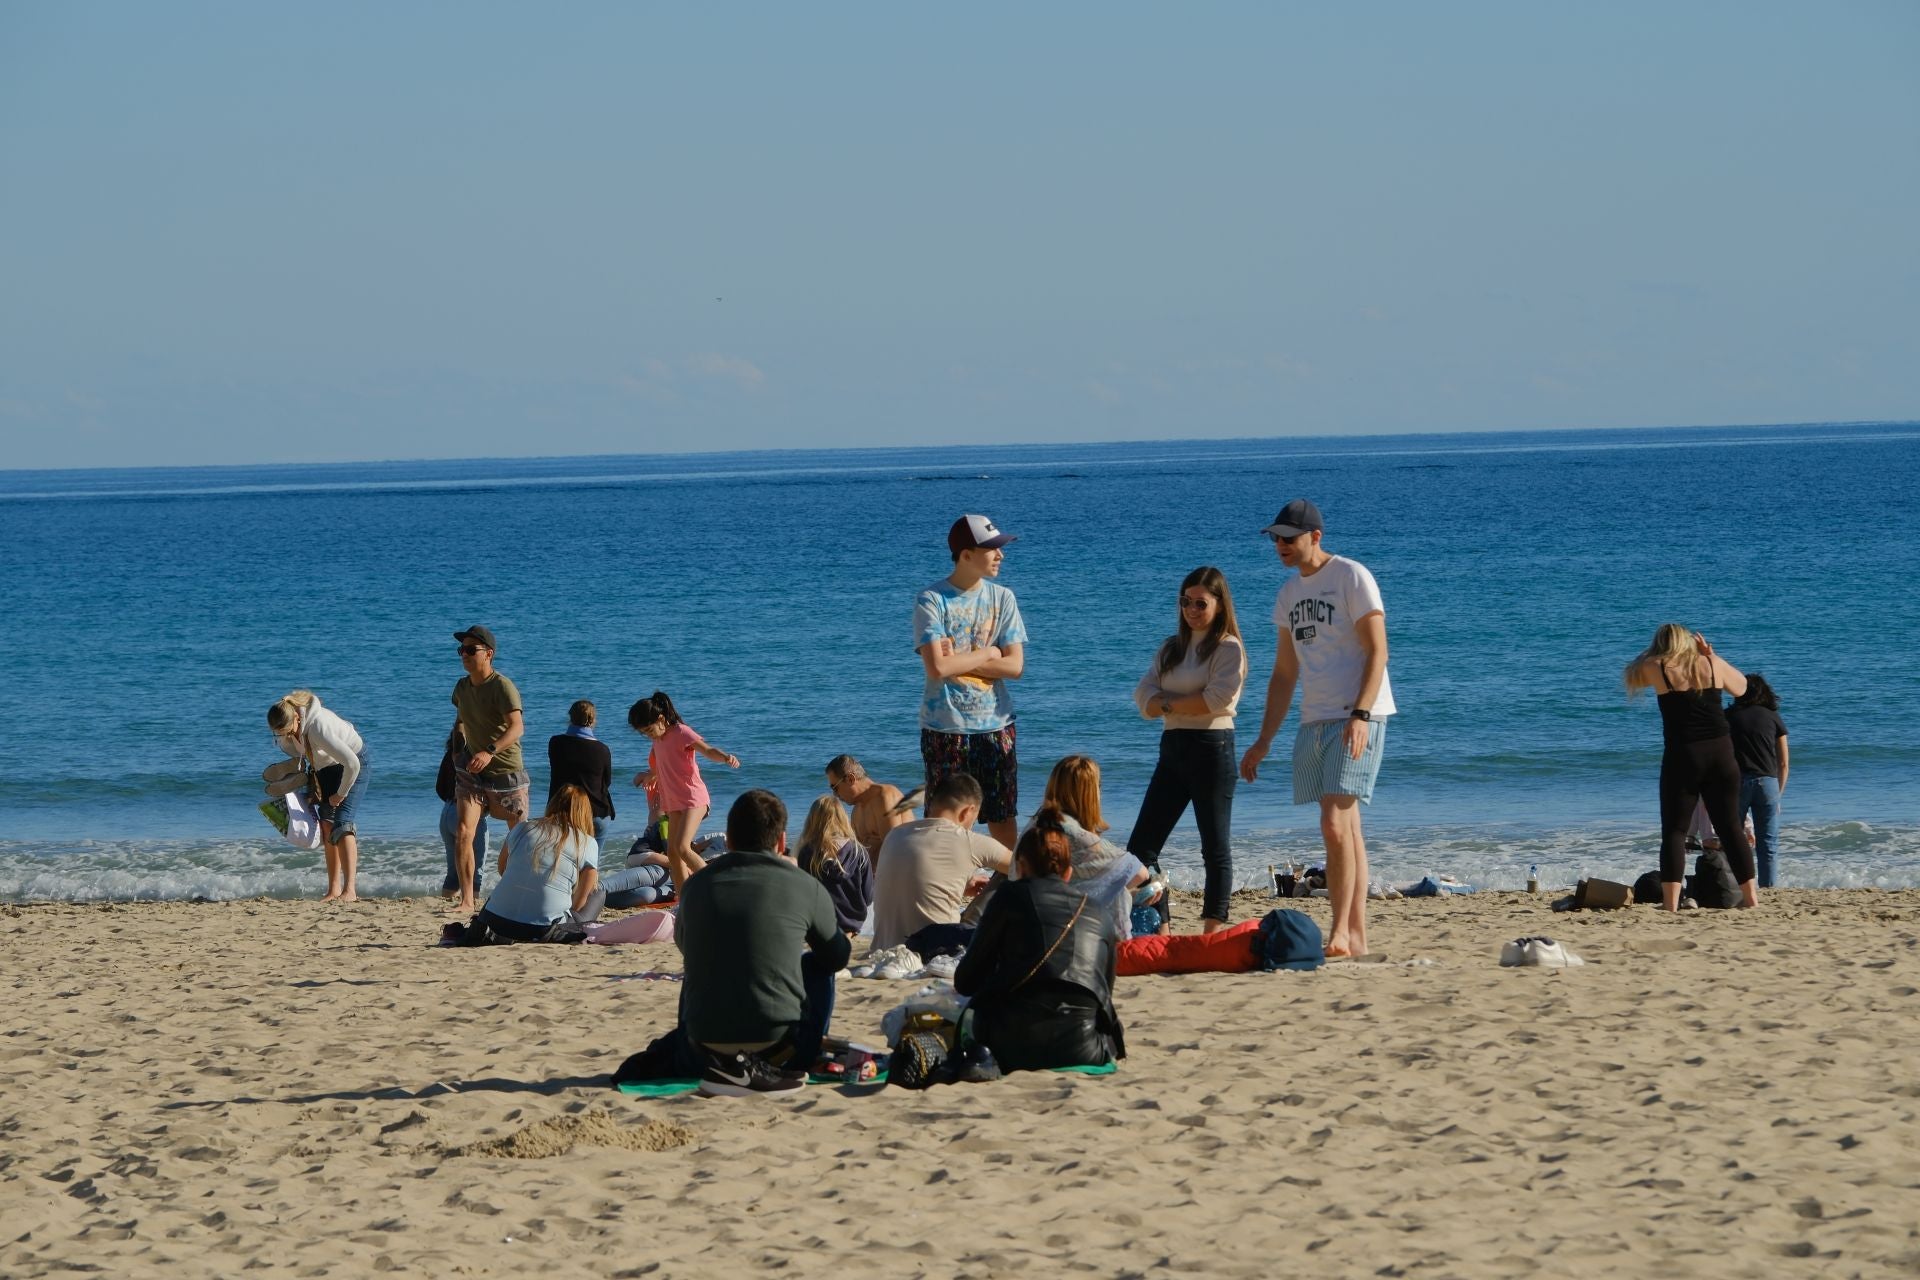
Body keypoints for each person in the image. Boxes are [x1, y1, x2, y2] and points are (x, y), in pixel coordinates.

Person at [1238, 500, 1395, 958]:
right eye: (1276, 539)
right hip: (1315, 717)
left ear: (1316, 537)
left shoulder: (1351, 576)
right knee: (1346, 828)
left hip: (1358, 714)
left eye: (1290, 538)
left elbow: (1378, 650)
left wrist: (1362, 714)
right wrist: (1264, 739)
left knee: (1333, 823)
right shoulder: (1288, 594)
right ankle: (1357, 934)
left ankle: (1341, 933)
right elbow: (1285, 674)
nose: (1281, 546)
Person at [677, 790, 852, 1097]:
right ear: (782, 842)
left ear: (728, 839)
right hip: (780, 1049)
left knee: (702, 961)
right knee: (814, 963)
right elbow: (837, 957)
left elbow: (684, 945)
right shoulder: (804, 886)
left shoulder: (694, 886)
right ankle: (804, 1055)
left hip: (701, 1048)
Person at [953, 807, 1126, 1073]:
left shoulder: (1009, 897)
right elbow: (1105, 989)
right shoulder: (1098, 912)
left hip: (1012, 1045)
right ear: (1069, 872)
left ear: (1020, 867)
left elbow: (965, 981)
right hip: (1085, 1048)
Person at [1126, 566, 1248, 933]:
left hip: (1212, 749)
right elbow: (1142, 698)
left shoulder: (1228, 648)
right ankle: (1161, 928)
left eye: (1200, 603)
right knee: (1140, 850)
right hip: (1173, 748)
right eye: (1185, 602)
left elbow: (1216, 700)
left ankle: (1212, 930)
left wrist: (1165, 701)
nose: (1192, 609)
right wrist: (1172, 703)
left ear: (1219, 604)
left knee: (1214, 847)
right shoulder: (1171, 648)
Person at [1623, 624, 1759, 911]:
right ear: (1689, 643)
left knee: (1675, 831)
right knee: (1731, 828)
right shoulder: (1711, 663)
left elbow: (1630, 672)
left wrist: (1656, 650)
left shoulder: (1656, 666)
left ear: (1660, 645)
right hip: (1722, 753)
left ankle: (1671, 904)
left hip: (1683, 756)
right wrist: (1712, 656)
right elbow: (1743, 688)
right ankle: (1751, 899)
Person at [915, 513, 1028, 851]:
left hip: (996, 724)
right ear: (966, 554)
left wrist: (957, 662)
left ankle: (1006, 884)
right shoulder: (931, 600)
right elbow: (936, 669)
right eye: (992, 548)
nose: (1000, 555)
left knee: (1002, 815)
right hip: (945, 727)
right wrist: (990, 652)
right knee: (943, 819)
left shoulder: (1003, 598)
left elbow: (1016, 666)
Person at [870, 773, 1012, 955]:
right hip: (936, 949)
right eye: (974, 819)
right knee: (1006, 875)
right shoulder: (967, 840)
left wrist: (959, 888)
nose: (972, 825)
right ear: (967, 811)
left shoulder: (895, 835)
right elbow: (1027, 866)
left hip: (883, 950)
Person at [448, 625, 529, 913]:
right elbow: (461, 718)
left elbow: (517, 726)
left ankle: (516, 895)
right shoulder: (461, 687)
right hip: (472, 772)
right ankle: (467, 900)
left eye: (471, 650)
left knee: (518, 837)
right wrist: (458, 750)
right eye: (462, 650)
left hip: (506, 770)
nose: (465, 655)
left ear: (489, 654)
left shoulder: (502, 686)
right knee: (463, 830)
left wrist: (490, 751)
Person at [1038, 756, 1159, 940]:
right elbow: (1140, 875)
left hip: (1040, 922)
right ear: (1091, 795)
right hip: (1079, 934)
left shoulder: (1036, 826)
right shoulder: (1086, 841)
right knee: (1150, 916)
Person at [628, 690, 739, 891]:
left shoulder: (681, 732)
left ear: (661, 718)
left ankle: (718, 886)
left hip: (693, 799)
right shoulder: (657, 741)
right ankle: (683, 899)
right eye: (644, 733)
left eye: (649, 729)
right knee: (672, 852)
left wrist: (725, 757)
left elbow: (707, 750)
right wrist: (650, 777)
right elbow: (658, 766)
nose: (648, 735)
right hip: (673, 802)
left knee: (682, 848)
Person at [267, 690, 368, 902]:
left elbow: (353, 764)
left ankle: (350, 890)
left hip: (353, 763)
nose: (282, 736)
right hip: (324, 767)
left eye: (285, 731)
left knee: (342, 823)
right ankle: (333, 890)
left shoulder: (318, 728)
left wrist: (341, 794)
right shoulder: (288, 727)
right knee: (326, 826)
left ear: (297, 718)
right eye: (278, 733)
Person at [469, 784, 601, 942]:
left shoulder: (522, 828)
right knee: (598, 893)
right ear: (585, 813)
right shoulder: (586, 842)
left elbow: (503, 869)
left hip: (492, 921)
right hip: (541, 930)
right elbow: (579, 903)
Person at [1727, 674, 1789, 888]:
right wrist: (1778, 794)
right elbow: (1783, 763)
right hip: (1768, 783)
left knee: (1733, 840)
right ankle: (1768, 888)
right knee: (1768, 843)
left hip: (1737, 783)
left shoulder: (1729, 716)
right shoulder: (1772, 717)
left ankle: (1736, 886)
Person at [796, 794, 876, 936]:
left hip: (818, 927)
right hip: (851, 925)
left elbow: (802, 896)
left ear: (812, 820)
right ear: (843, 819)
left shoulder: (808, 853)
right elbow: (868, 897)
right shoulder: (859, 852)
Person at [824, 754, 916, 864]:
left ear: (850, 779)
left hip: (899, 872)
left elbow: (894, 849)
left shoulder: (885, 796)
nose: (835, 794)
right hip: (874, 876)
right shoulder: (856, 811)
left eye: (835, 788)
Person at [549, 700, 616, 842]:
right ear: (592, 720)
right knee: (591, 863)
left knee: (563, 861)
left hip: (562, 812)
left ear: (570, 718)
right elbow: (606, 782)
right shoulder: (602, 750)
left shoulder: (556, 743)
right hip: (596, 812)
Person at [435, 728, 488, 899]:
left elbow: (440, 788)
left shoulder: (450, 754)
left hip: (447, 812)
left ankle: (447, 901)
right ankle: (471, 903)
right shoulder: (475, 758)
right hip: (468, 812)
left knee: (454, 872)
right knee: (474, 872)